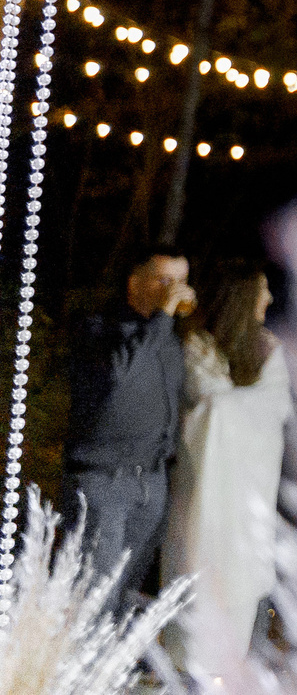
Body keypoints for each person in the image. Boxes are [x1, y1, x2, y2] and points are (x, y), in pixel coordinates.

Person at [163, 267, 293, 675]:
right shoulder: (197, 346)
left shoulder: (270, 350)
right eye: (262, 291)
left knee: (238, 586)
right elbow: (206, 403)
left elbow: (272, 408)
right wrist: (230, 407)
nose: (269, 300)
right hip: (200, 492)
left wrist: (226, 406)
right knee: (194, 575)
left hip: (248, 498)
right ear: (241, 297)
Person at [66, 252, 191, 608]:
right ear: (134, 284)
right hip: (104, 481)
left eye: (181, 281)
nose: (174, 290)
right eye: (164, 280)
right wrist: (163, 317)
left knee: (125, 596)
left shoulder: (169, 339)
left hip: (151, 483)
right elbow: (120, 375)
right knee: (94, 598)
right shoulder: (97, 329)